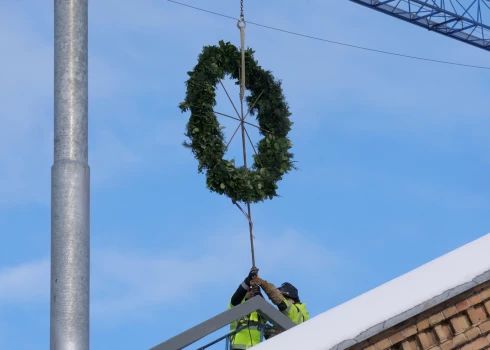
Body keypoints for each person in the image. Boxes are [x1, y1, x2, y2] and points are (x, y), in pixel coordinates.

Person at [228, 267, 267, 349]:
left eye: (253, 291)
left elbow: (266, 311)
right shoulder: (237, 304)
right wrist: (249, 279)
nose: (251, 292)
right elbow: (236, 297)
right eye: (248, 290)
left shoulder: (259, 311)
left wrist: (258, 294)